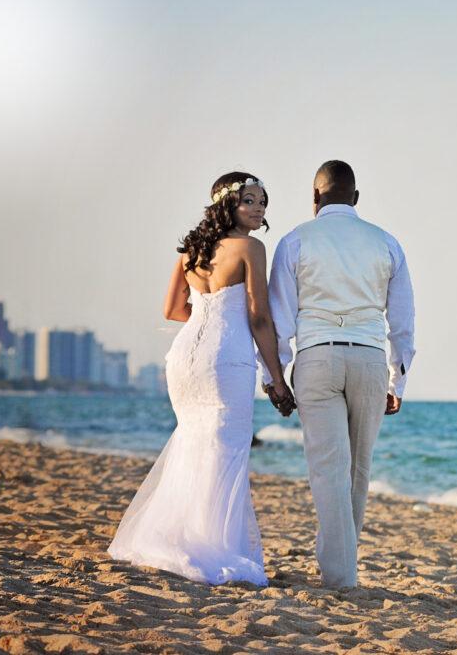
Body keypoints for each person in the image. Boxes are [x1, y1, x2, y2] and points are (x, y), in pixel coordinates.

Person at [108, 172, 295, 586]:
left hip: (183, 358)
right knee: (225, 452)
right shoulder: (251, 247)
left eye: (263, 201)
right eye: (250, 200)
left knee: (194, 444)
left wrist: (208, 321)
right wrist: (278, 379)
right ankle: (215, 548)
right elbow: (259, 317)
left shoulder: (191, 250)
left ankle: (182, 538)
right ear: (227, 204)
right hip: (225, 359)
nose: (259, 209)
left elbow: (173, 309)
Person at [263, 160, 414, 588]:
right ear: (356, 198)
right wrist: (396, 378)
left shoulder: (295, 241)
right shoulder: (386, 242)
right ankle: (342, 568)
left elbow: (280, 319)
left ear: (315, 199)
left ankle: (339, 574)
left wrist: (273, 376)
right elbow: (403, 320)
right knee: (357, 470)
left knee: (328, 468)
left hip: (317, 357)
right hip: (368, 358)